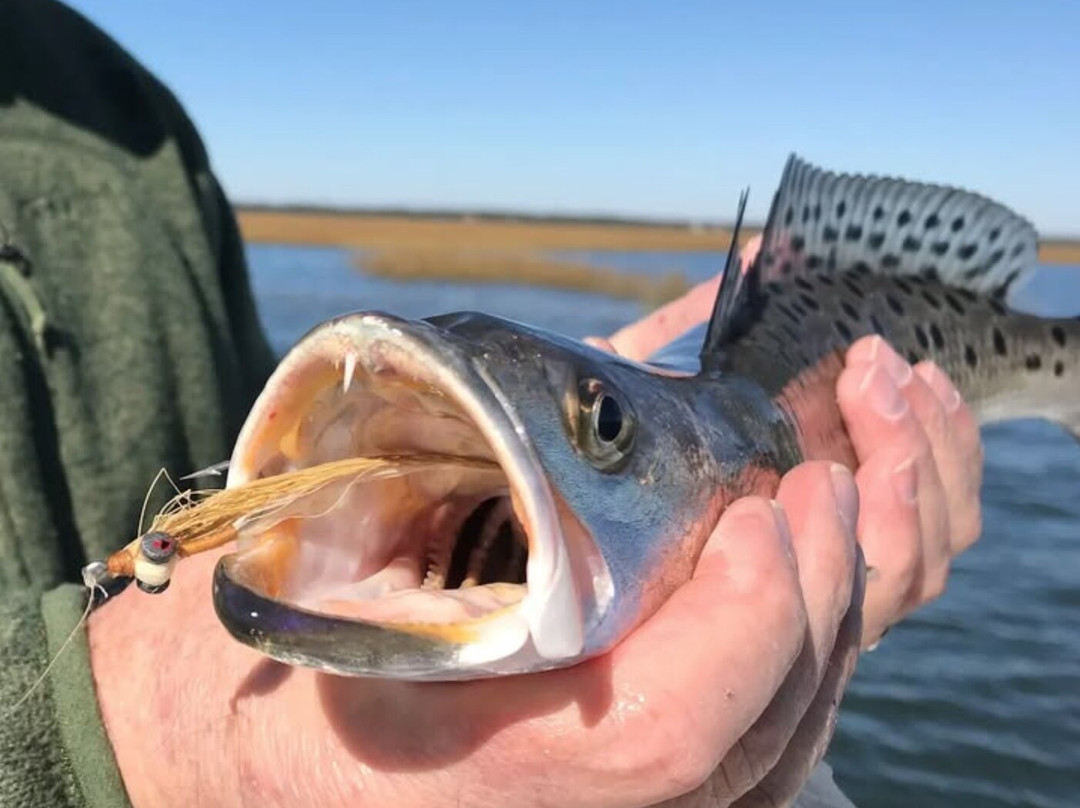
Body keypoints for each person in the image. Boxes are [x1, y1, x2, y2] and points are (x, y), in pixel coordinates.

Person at [0, 2, 984, 806]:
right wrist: (140, 735)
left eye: (602, 425)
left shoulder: (136, 119)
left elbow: (288, 466)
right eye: (602, 425)